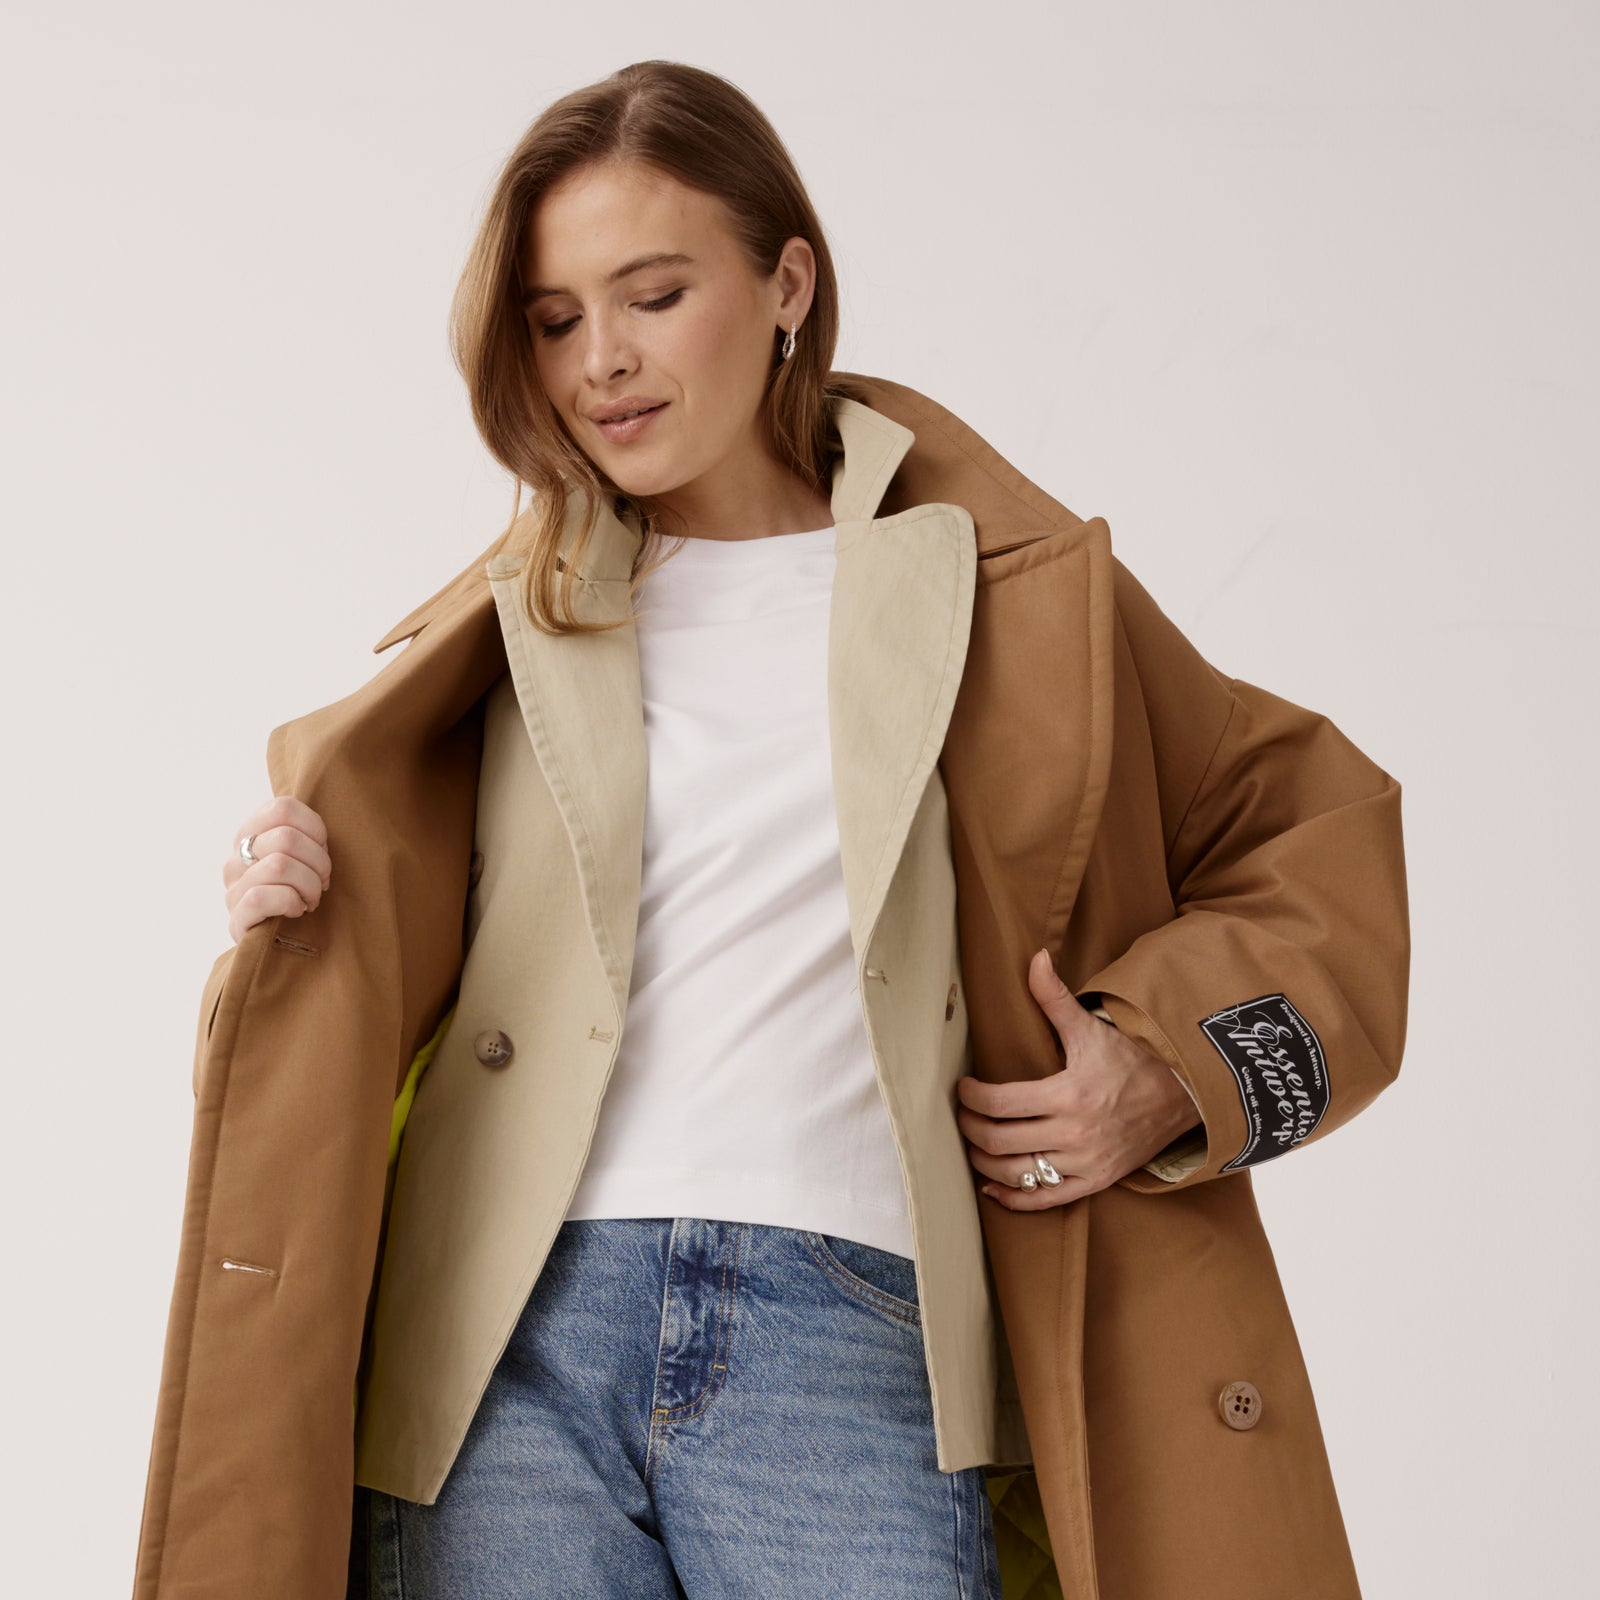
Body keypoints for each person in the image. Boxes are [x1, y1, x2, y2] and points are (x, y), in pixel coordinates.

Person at [176, 58, 1405, 1600]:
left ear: (787, 285)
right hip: (503, 1341)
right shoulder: (505, 627)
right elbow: (348, 1032)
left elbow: (1317, 829)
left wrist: (1169, 1070)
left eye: (653, 294)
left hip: (851, 1322)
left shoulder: (1005, 591)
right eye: (554, 319)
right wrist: (287, 915)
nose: (601, 361)